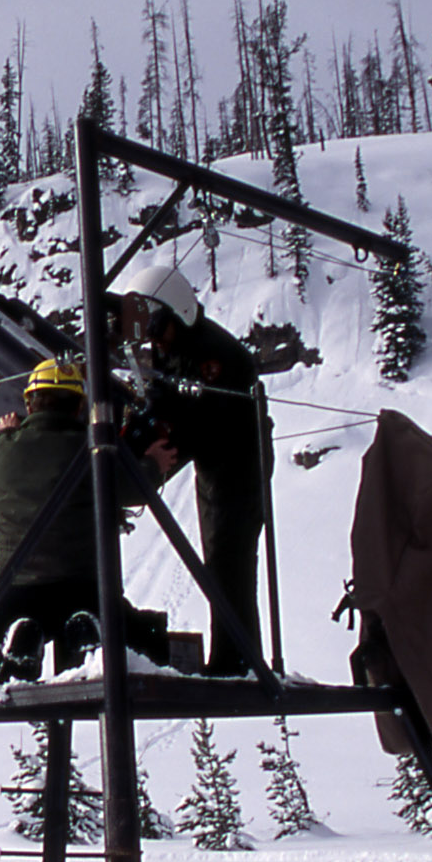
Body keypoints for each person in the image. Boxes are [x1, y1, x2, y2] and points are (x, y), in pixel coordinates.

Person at [112, 263, 272, 676]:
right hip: (216, 460)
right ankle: (233, 658)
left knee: (229, 560)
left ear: (177, 312)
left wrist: (160, 455)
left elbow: (203, 419)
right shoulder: (180, 348)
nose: (154, 339)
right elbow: (171, 404)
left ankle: (235, 661)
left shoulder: (214, 357)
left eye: (158, 326)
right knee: (220, 560)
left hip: (238, 461)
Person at [0, 359, 169, 680]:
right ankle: (86, 632)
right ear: (79, 405)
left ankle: (25, 633)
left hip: (15, 591)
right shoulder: (95, 450)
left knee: (7, 620)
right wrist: (153, 464)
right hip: (84, 587)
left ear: (29, 403)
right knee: (142, 633)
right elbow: (134, 488)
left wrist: (6, 435)